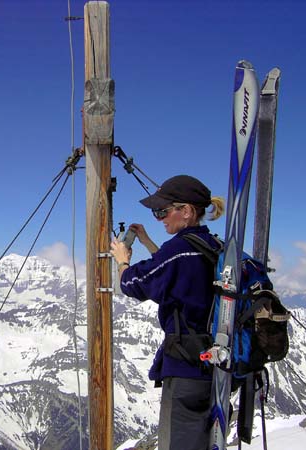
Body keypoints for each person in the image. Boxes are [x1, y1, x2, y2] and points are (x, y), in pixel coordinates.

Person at [110, 174, 225, 450]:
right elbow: (174, 270)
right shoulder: (209, 245)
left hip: (186, 368)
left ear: (185, 212)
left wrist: (123, 261)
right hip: (214, 366)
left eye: (163, 210)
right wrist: (148, 241)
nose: (159, 217)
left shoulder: (180, 250)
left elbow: (134, 284)